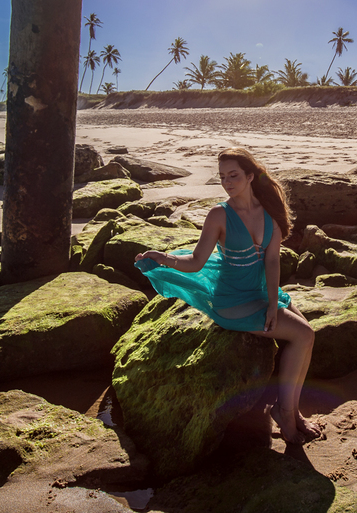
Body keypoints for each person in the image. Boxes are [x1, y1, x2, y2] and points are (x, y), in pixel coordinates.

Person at [133, 147, 321, 444]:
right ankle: (285, 413)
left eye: (233, 175)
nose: (227, 182)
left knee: (307, 335)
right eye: (222, 177)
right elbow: (195, 262)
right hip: (233, 302)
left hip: (260, 293)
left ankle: (290, 411)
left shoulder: (269, 213)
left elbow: (272, 261)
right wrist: (162, 257)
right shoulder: (219, 215)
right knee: (303, 335)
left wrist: (273, 303)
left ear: (250, 176)